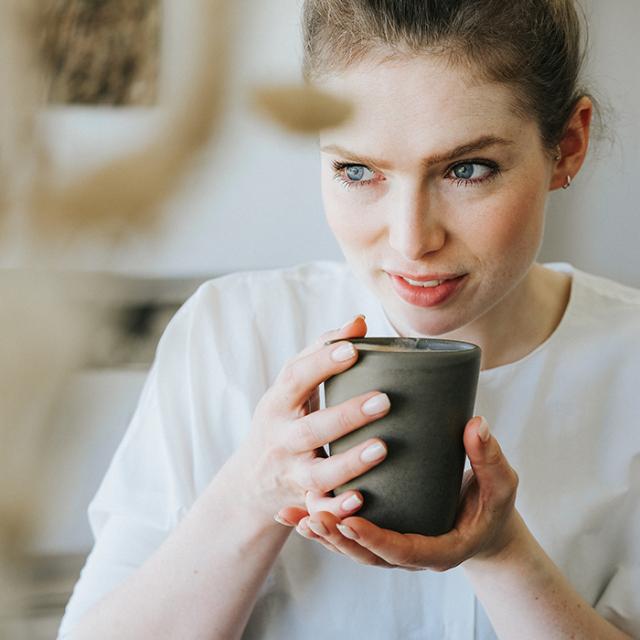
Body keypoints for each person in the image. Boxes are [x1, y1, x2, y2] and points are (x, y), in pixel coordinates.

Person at [59, 1, 640, 638]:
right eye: (357, 170)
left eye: (467, 169)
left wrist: (504, 553)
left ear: (568, 145)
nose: (411, 239)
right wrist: (252, 491)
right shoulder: (229, 334)